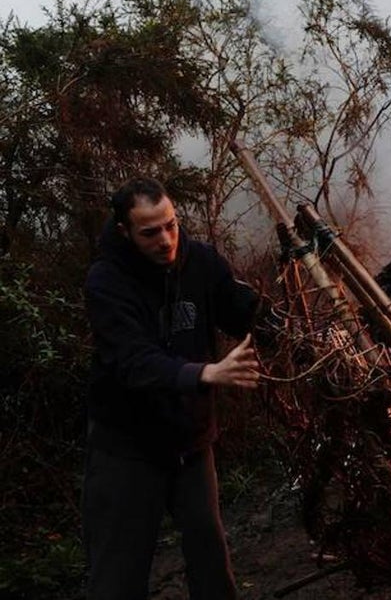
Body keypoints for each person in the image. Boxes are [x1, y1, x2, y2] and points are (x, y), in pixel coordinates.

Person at [83, 177, 260, 600]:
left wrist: (280, 302)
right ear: (125, 232)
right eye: (150, 232)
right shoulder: (106, 282)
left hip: (190, 442)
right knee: (118, 574)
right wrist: (205, 374)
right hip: (126, 447)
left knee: (211, 560)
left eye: (172, 225)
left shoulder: (199, 261)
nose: (166, 240)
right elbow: (133, 363)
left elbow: (241, 315)